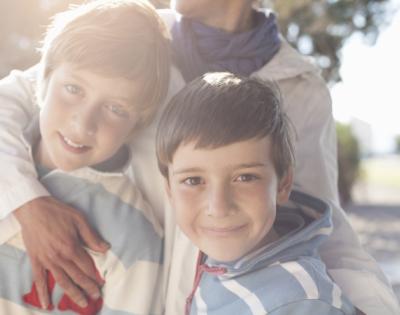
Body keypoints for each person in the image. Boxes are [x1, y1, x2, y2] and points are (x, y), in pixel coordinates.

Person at [0, 0, 398, 314]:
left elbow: (327, 229)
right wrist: (26, 201)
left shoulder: (303, 87)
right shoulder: (135, 41)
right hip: (133, 282)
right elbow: (16, 97)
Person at [0, 0, 170, 314]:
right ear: (42, 80)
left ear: (137, 125)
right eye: (73, 89)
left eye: (116, 109)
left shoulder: (132, 232)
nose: (84, 122)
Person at [156, 72, 356, 315]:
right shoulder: (218, 262)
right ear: (169, 191)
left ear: (283, 185)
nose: (219, 207)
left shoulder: (301, 302)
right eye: (193, 180)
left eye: (245, 177)